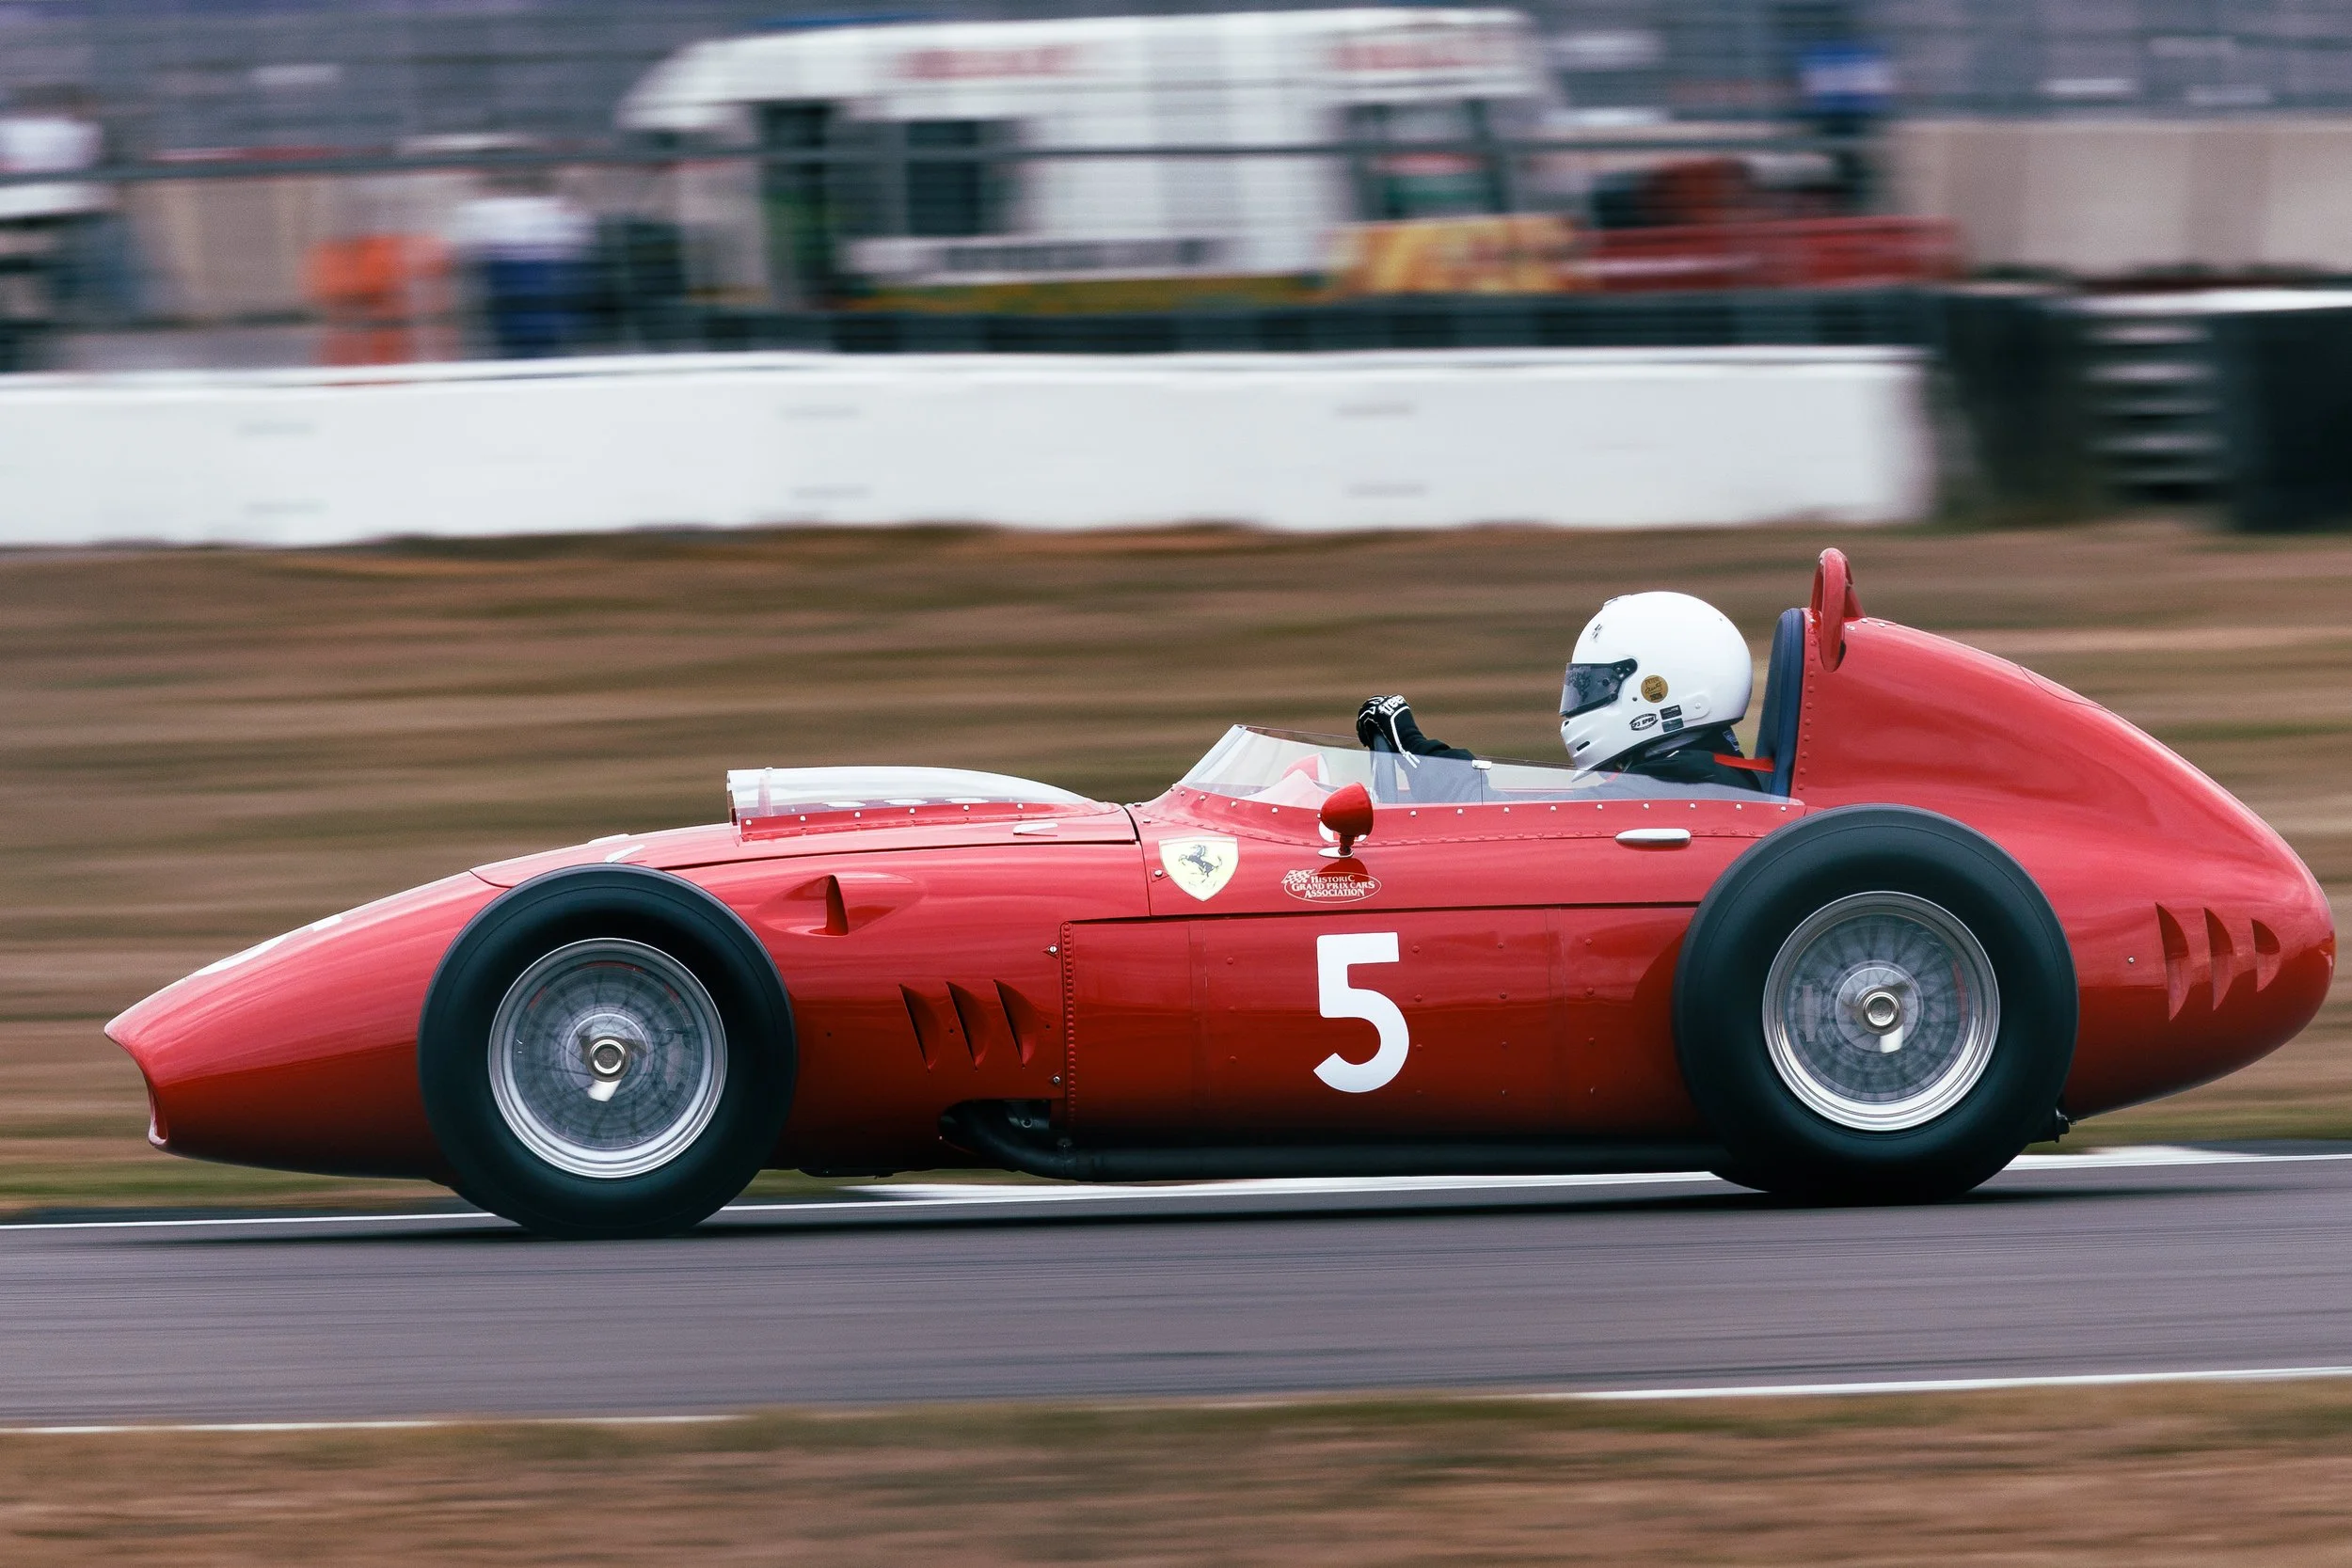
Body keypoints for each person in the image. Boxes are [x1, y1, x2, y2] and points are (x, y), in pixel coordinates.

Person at [1359, 590, 1767, 792]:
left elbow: (1513, 817)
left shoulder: (1685, 782)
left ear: (1659, 691)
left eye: (1598, 686)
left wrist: (1415, 749)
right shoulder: (1709, 771)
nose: (1581, 705)